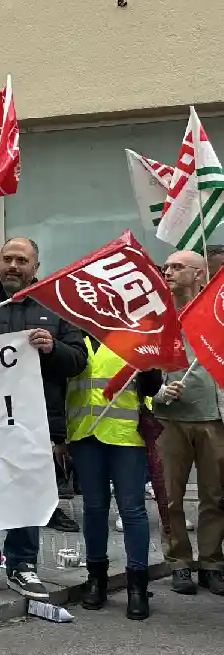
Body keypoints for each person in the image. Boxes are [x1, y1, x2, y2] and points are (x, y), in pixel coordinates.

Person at [0, 238, 88, 599]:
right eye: (6, 259)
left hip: (33, 420)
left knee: (26, 493)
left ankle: (23, 566)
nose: (11, 266)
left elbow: (78, 360)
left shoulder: (56, 307)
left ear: (35, 267)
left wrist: (53, 348)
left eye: (21, 260)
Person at [66, 336, 161, 619]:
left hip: (125, 433)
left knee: (132, 509)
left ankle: (137, 586)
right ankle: (96, 579)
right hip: (84, 432)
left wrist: (149, 366)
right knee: (94, 508)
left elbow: (152, 386)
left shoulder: (132, 336)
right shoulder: (74, 336)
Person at [154, 250, 224, 596]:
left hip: (213, 417)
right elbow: (138, 366)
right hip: (171, 419)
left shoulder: (217, 312)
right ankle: (179, 561)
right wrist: (158, 392)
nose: (168, 271)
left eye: (177, 267)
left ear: (199, 275)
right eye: (166, 266)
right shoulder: (155, 316)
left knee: (215, 496)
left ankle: (212, 562)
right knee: (171, 497)